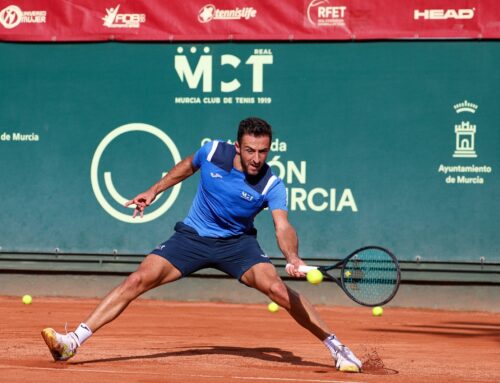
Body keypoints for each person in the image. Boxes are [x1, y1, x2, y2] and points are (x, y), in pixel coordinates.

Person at [41, 117, 362, 373]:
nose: (256, 158)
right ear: (237, 146)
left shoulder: (271, 183)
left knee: (277, 289)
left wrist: (292, 256)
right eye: (250, 150)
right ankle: (73, 341)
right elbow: (187, 165)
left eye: (263, 151)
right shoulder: (212, 153)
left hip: (237, 245)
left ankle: (337, 348)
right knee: (138, 279)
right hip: (192, 237)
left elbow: (283, 225)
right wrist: (155, 190)